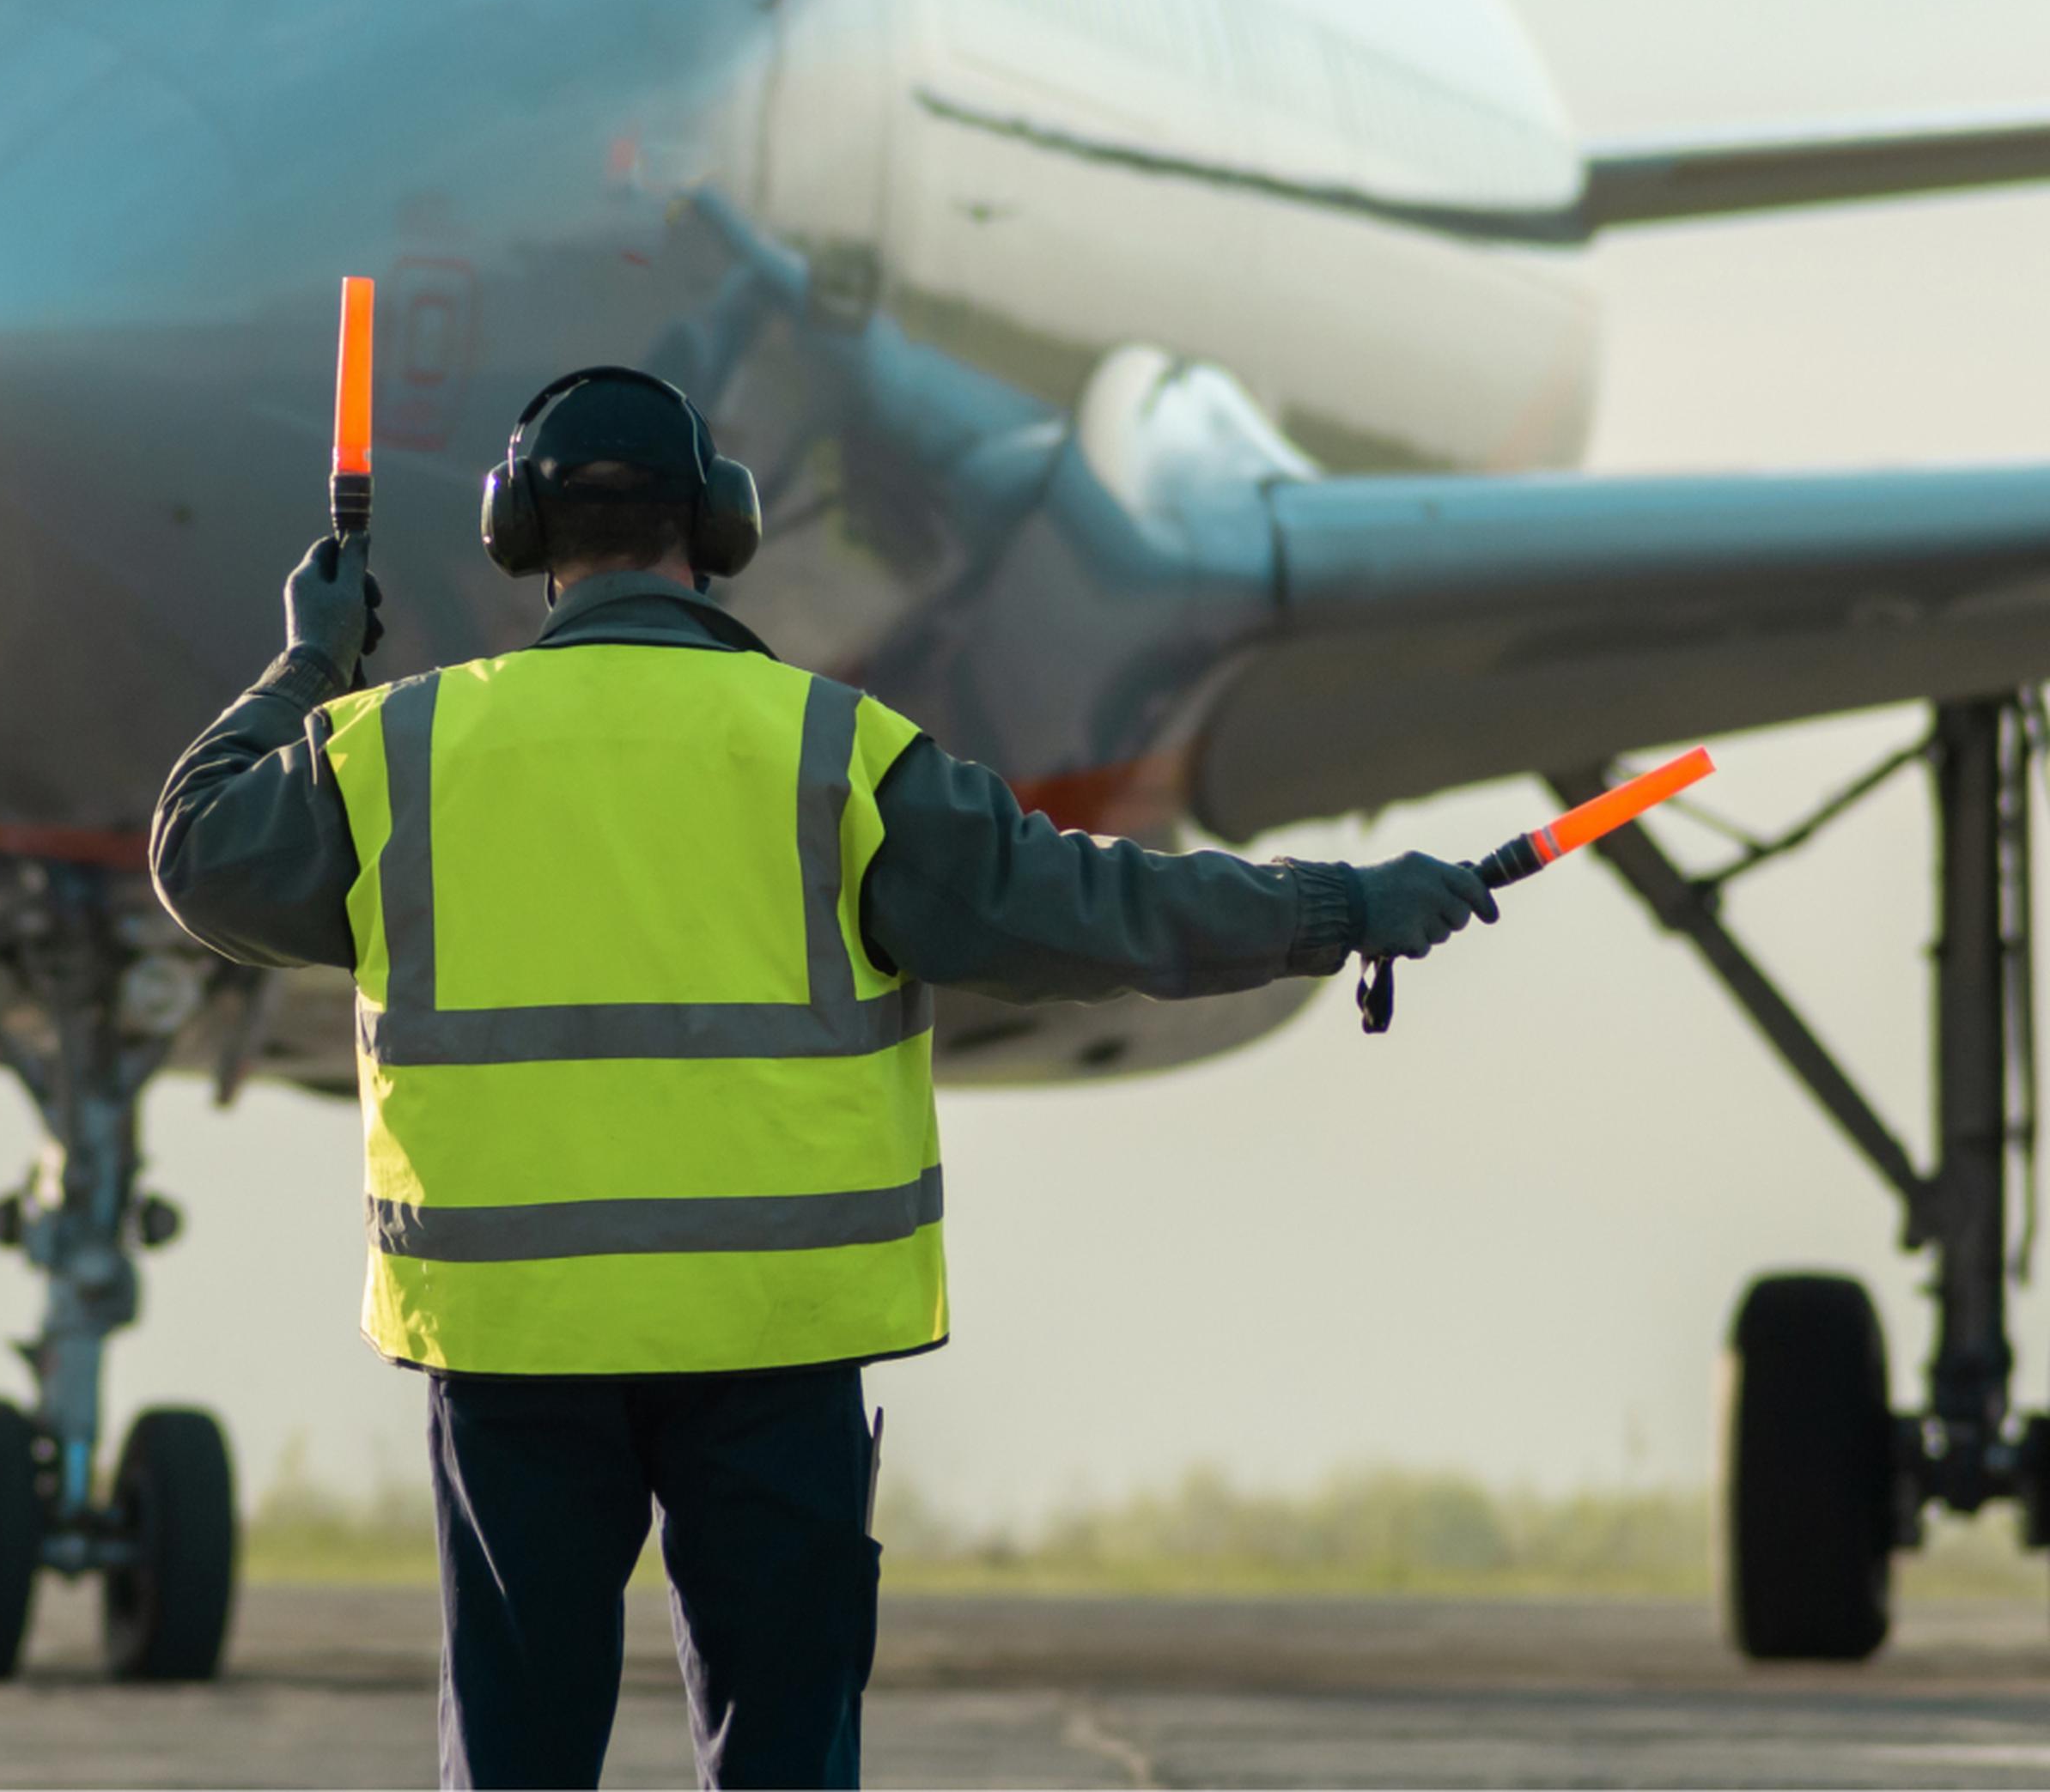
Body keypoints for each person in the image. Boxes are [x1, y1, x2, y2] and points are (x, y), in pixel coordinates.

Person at [149, 368, 1491, 1789]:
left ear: (519, 533)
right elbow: (1097, 910)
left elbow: (199, 850)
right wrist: (1335, 905)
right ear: (718, 527)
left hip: (514, 1343)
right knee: (785, 1756)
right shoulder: (833, 754)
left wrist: (308, 661)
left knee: (518, 1760)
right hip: (773, 1345)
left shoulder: (401, 751)